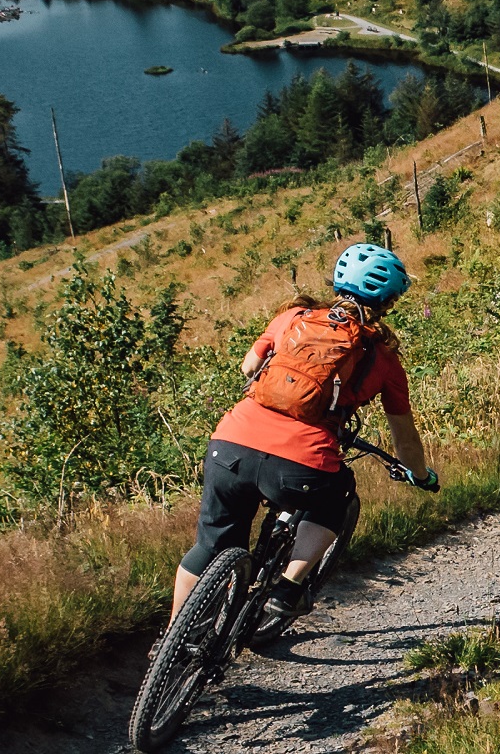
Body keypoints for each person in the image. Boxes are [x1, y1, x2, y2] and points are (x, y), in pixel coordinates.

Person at [174, 240, 434, 628]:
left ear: (337, 282)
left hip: (230, 444)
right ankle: (288, 587)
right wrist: (420, 474)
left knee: (210, 545)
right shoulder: (384, 359)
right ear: (388, 303)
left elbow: (249, 368)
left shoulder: (293, 317)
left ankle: (171, 642)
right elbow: (405, 440)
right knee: (338, 493)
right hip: (301, 463)